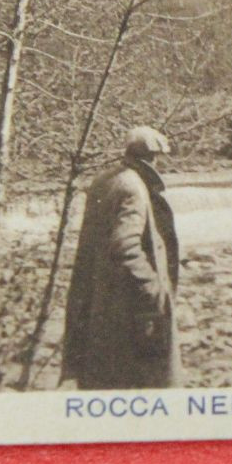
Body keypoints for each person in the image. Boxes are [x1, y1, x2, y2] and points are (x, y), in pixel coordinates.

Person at [61, 126, 182, 389]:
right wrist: (153, 289)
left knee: (106, 378)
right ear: (152, 157)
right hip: (131, 311)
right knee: (146, 384)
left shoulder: (105, 179)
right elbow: (125, 246)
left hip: (102, 304)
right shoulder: (133, 187)